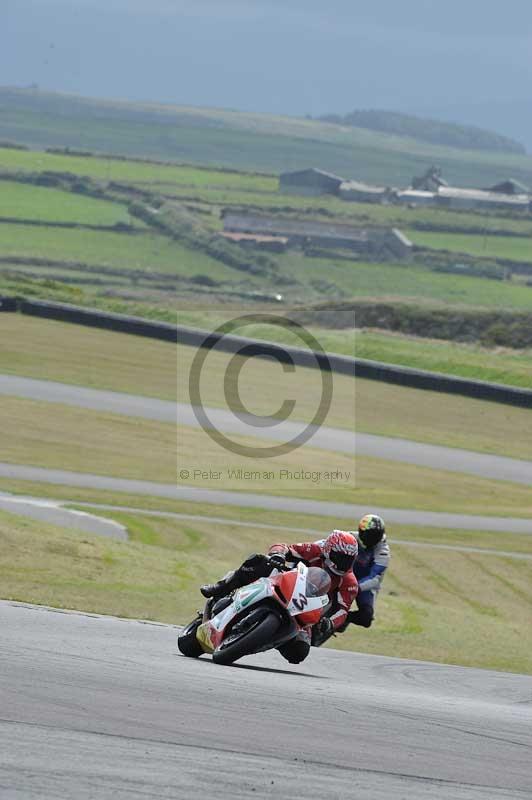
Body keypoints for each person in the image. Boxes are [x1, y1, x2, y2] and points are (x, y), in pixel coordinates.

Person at [200, 530, 359, 664]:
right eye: (340, 558)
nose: (344, 563)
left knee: (299, 653)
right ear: (328, 550)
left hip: (305, 608)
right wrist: (278, 554)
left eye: (349, 559)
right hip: (285, 584)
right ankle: (222, 586)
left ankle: (261, 640)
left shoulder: (349, 582)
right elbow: (285, 547)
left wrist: (330, 623)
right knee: (259, 561)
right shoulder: (316, 549)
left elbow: (343, 610)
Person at [345, 513, 390, 630]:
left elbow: (375, 578)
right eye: (367, 535)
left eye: (373, 536)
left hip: (365, 586)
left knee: (366, 618)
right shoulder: (351, 537)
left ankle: (346, 618)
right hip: (344, 576)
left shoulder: (383, 551)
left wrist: (355, 587)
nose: (369, 539)